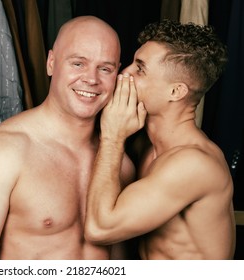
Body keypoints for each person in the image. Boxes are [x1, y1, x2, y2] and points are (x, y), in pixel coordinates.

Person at [0, 16, 135, 259]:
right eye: (78, 64)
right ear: (51, 63)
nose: (91, 79)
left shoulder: (119, 162)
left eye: (105, 68)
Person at [85, 19, 236, 260]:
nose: (124, 73)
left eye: (140, 69)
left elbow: (100, 229)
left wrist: (112, 137)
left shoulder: (194, 163)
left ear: (176, 92)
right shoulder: (144, 144)